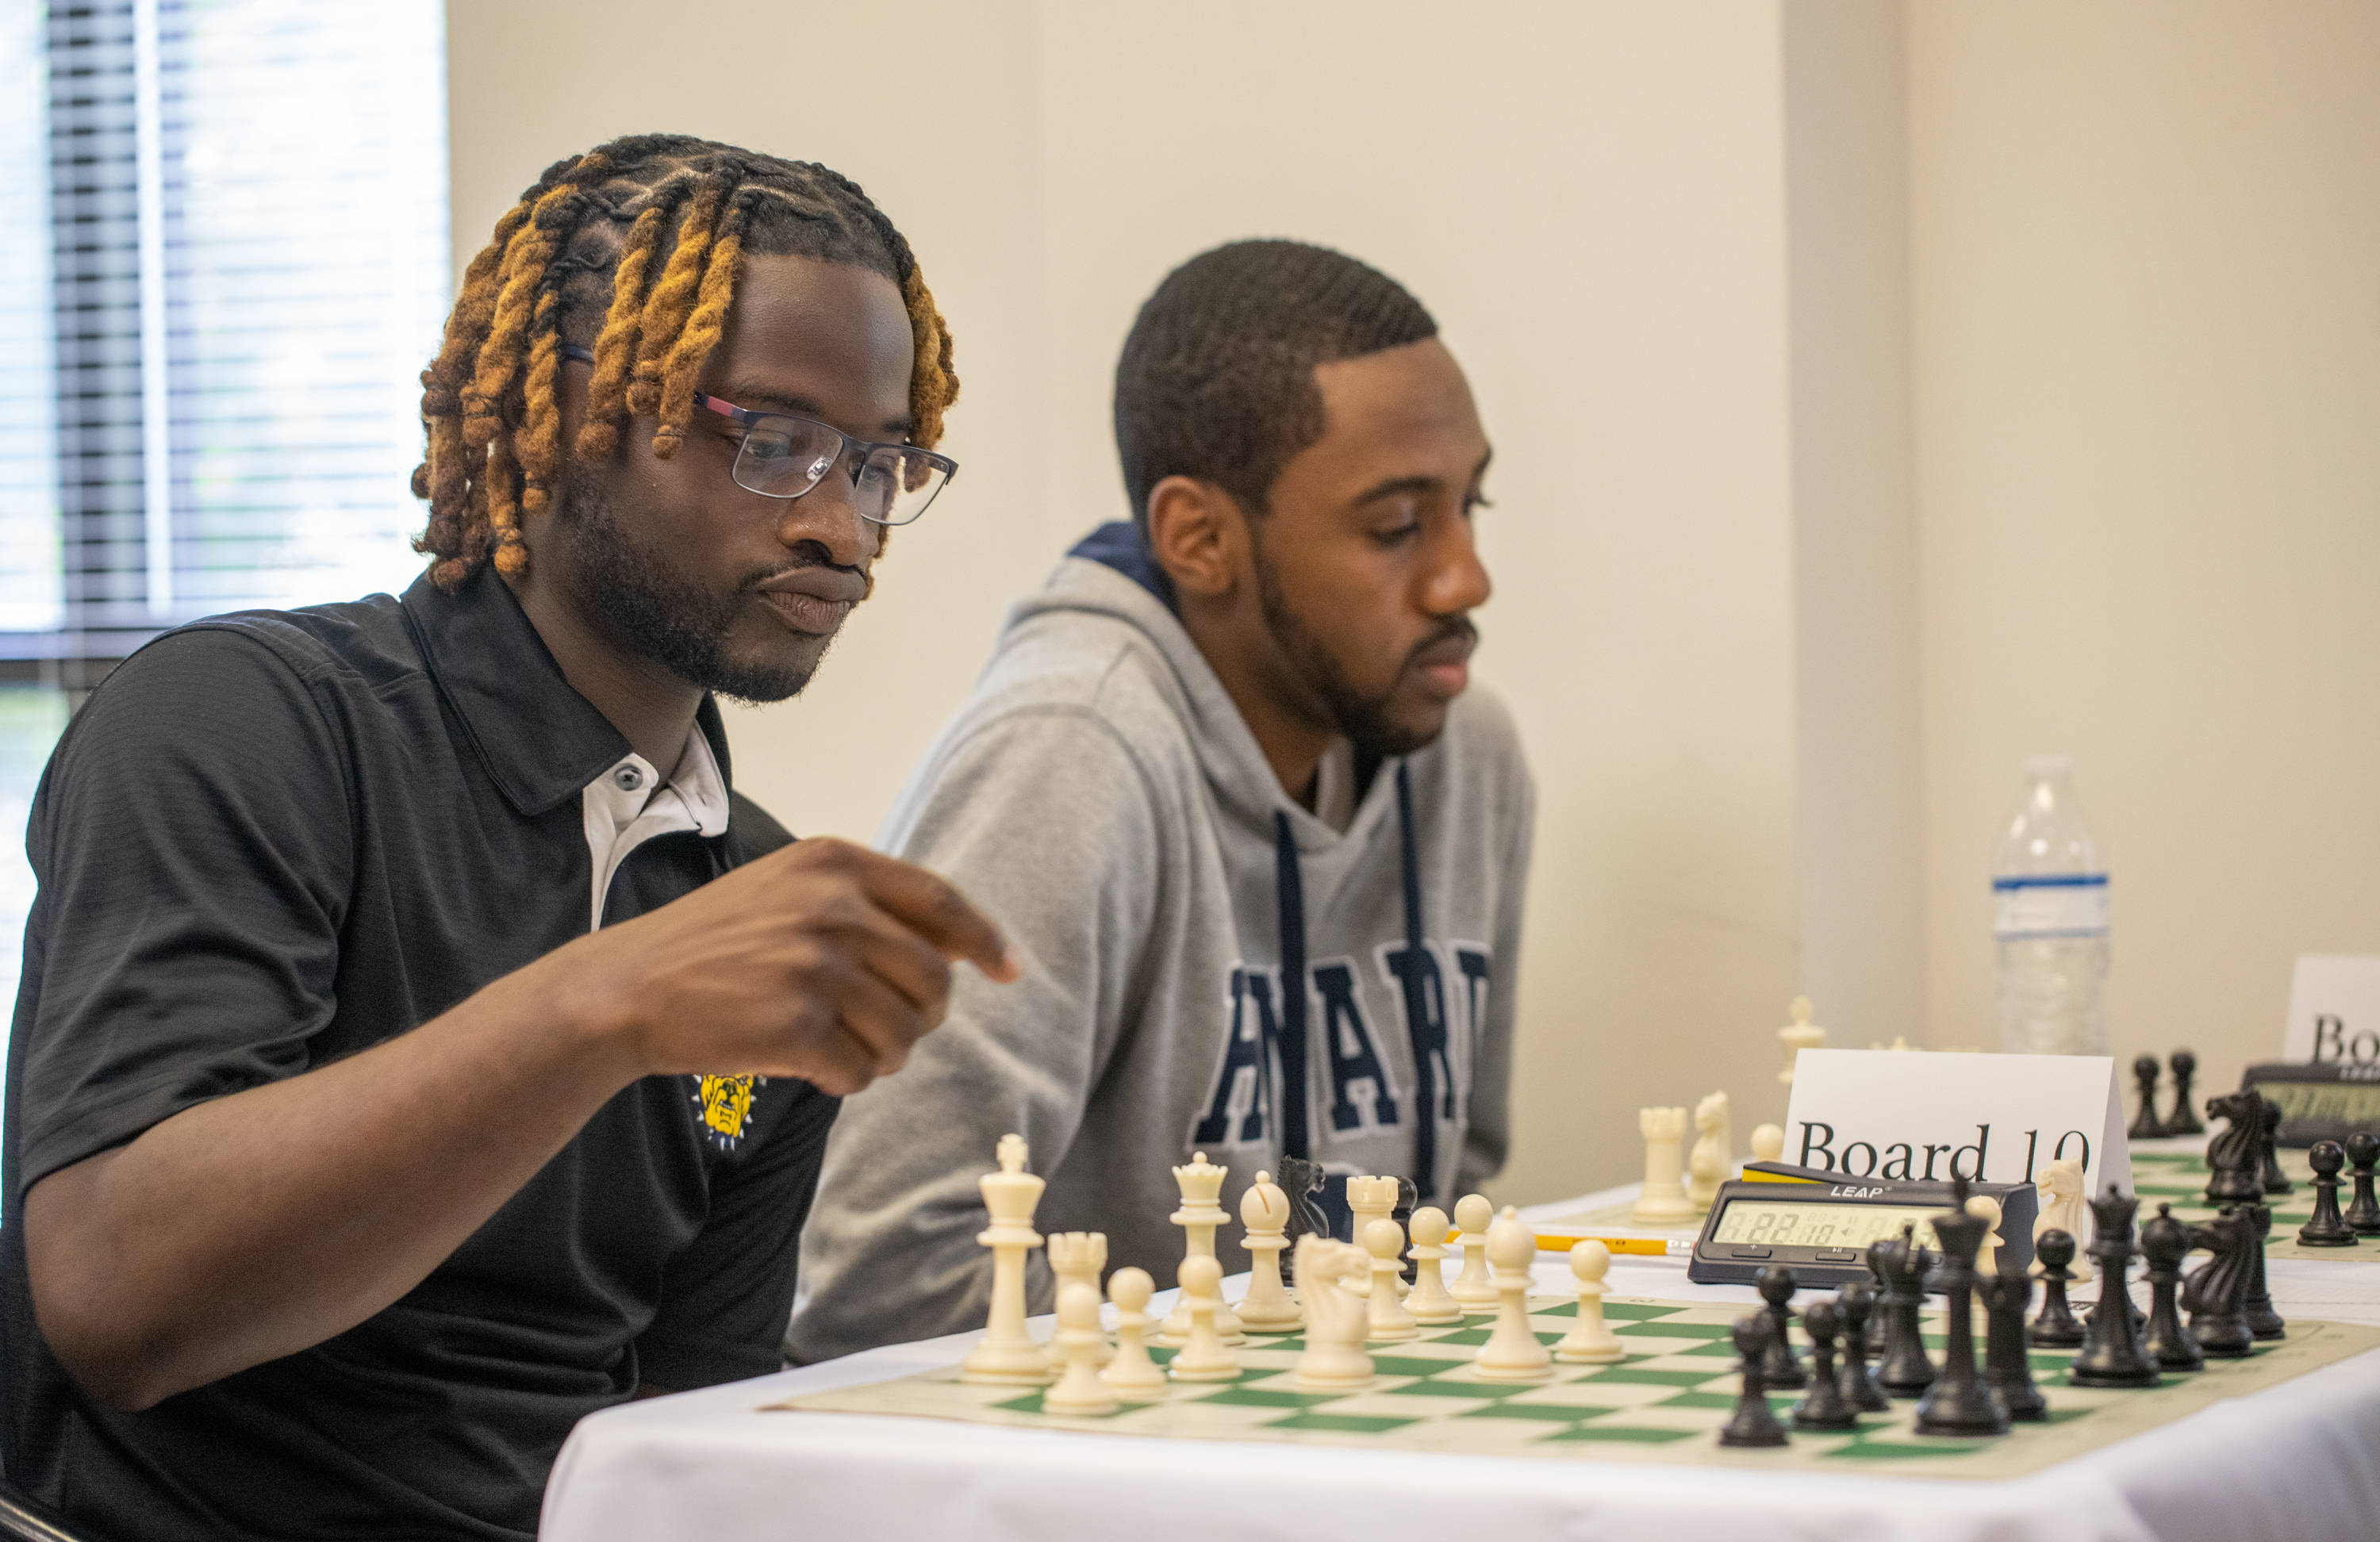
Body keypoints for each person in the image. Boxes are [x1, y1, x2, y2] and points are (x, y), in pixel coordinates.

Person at [0, 134, 1015, 1540]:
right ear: (568, 417)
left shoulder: (752, 898)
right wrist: (607, 1005)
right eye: (774, 446)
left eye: (882, 464)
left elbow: (689, 1441)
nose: (844, 532)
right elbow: (121, 1297)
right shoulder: (244, 724)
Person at [790, 240, 1534, 1363]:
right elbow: (881, 1271)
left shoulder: (1463, 749)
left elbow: (1450, 1187)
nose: (1464, 578)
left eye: (1469, 505)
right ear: (1199, 538)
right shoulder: (1070, 755)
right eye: (1395, 527)